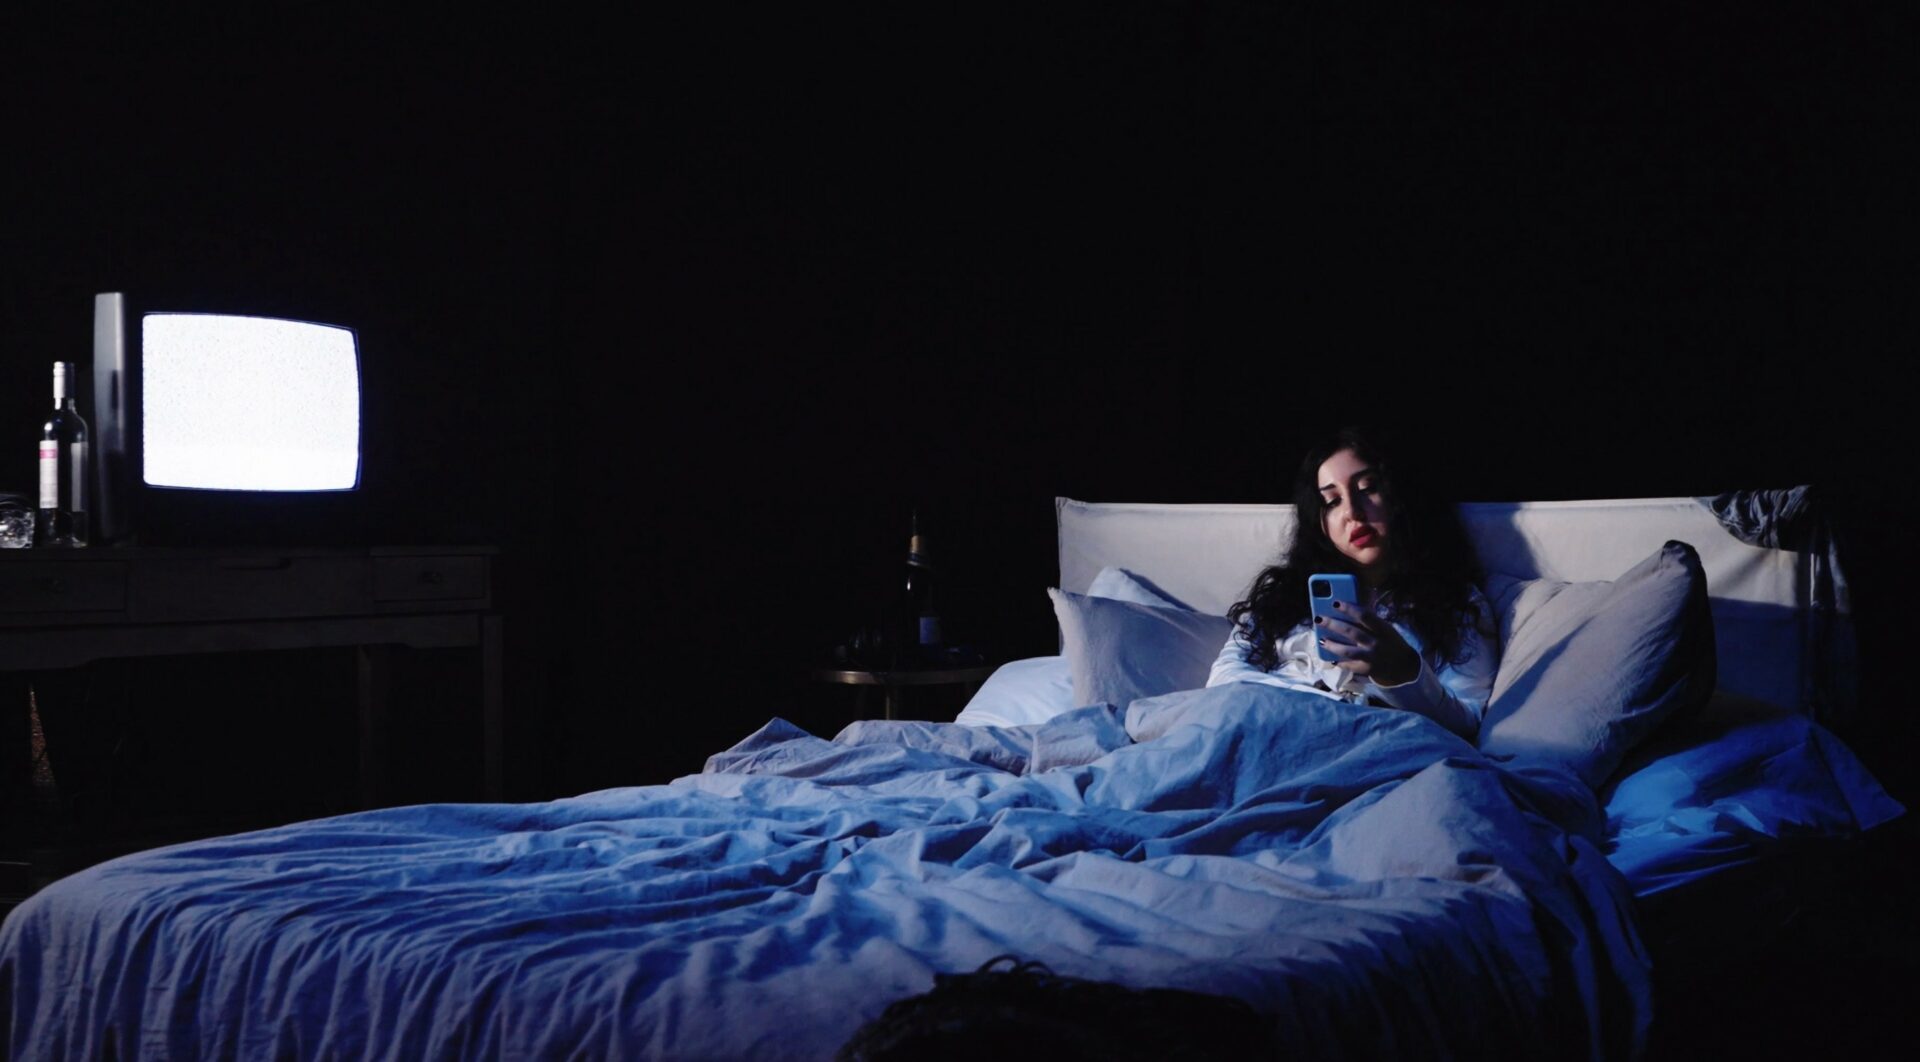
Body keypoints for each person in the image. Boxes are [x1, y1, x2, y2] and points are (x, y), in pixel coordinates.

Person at [1208, 426, 1498, 741]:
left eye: (1367, 488)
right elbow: (1224, 680)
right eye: (1332, 501)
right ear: (1319, 522)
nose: (1352, 512)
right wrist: (1325, 706)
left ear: (1400, 494)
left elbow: (1467, 721)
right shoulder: (1283, 598)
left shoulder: (1457, 602)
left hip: (1376, 744)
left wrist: (1403, 673)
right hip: (1269, 734)